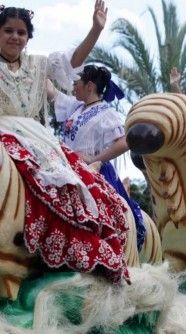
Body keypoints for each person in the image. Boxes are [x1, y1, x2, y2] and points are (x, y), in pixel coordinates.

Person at [0, 2, 130, 283]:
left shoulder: (38, 64)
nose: (15, 37)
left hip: (38, 139)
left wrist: (95, 29)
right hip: (4, 135)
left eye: (21, 32)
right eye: (8, 30)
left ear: (28, 38)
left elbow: (73, 60)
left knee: (74, 188)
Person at [47, 65, 146, 250]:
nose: (73, 87)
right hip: (67, 169)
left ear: (89, 86)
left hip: (94, 172)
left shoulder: (106, 113)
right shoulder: (76, 107)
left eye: (77, 83)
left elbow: (124, 142)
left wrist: (94, 159)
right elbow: (51, 92)